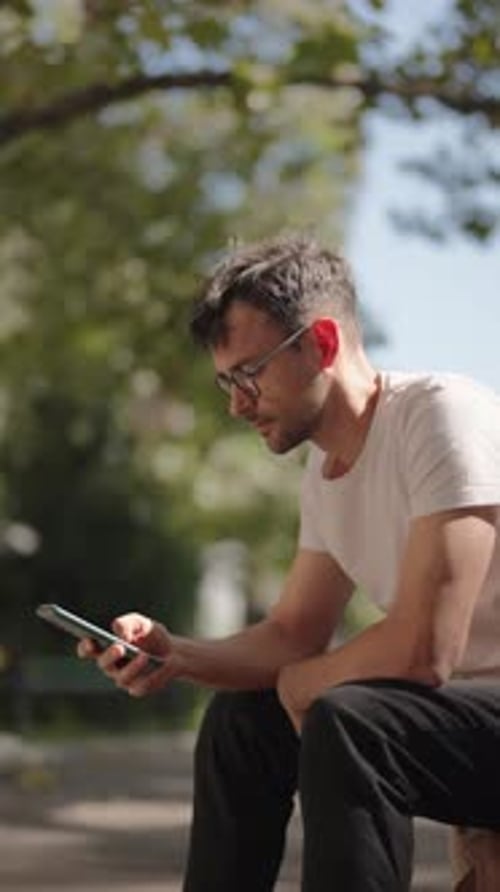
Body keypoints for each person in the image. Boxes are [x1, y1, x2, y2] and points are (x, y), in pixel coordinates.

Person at [78, 234, 500, 892]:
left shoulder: (439, 416)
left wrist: (307, 683)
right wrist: (176, 654)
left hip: (477, 715)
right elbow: (291, 633)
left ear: (323, 344)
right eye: (226, 381)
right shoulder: (324, 472)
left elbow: (424, 649)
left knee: (351, 720)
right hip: (454, 719)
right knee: (241, 722)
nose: (236, 403)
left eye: (249, 373)